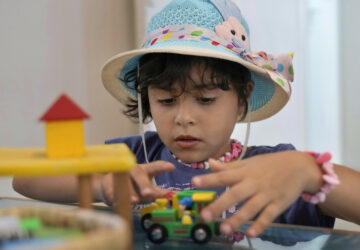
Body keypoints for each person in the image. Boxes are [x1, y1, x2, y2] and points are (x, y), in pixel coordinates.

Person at [13, 0, 360, 239]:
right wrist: (104, 184)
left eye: (206, 99)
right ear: (145, 98)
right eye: (165, 100)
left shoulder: (271, 170)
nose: (183, 118)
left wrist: (307, 172)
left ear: (242, 98)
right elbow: (25, 182)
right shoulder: (132, 158)